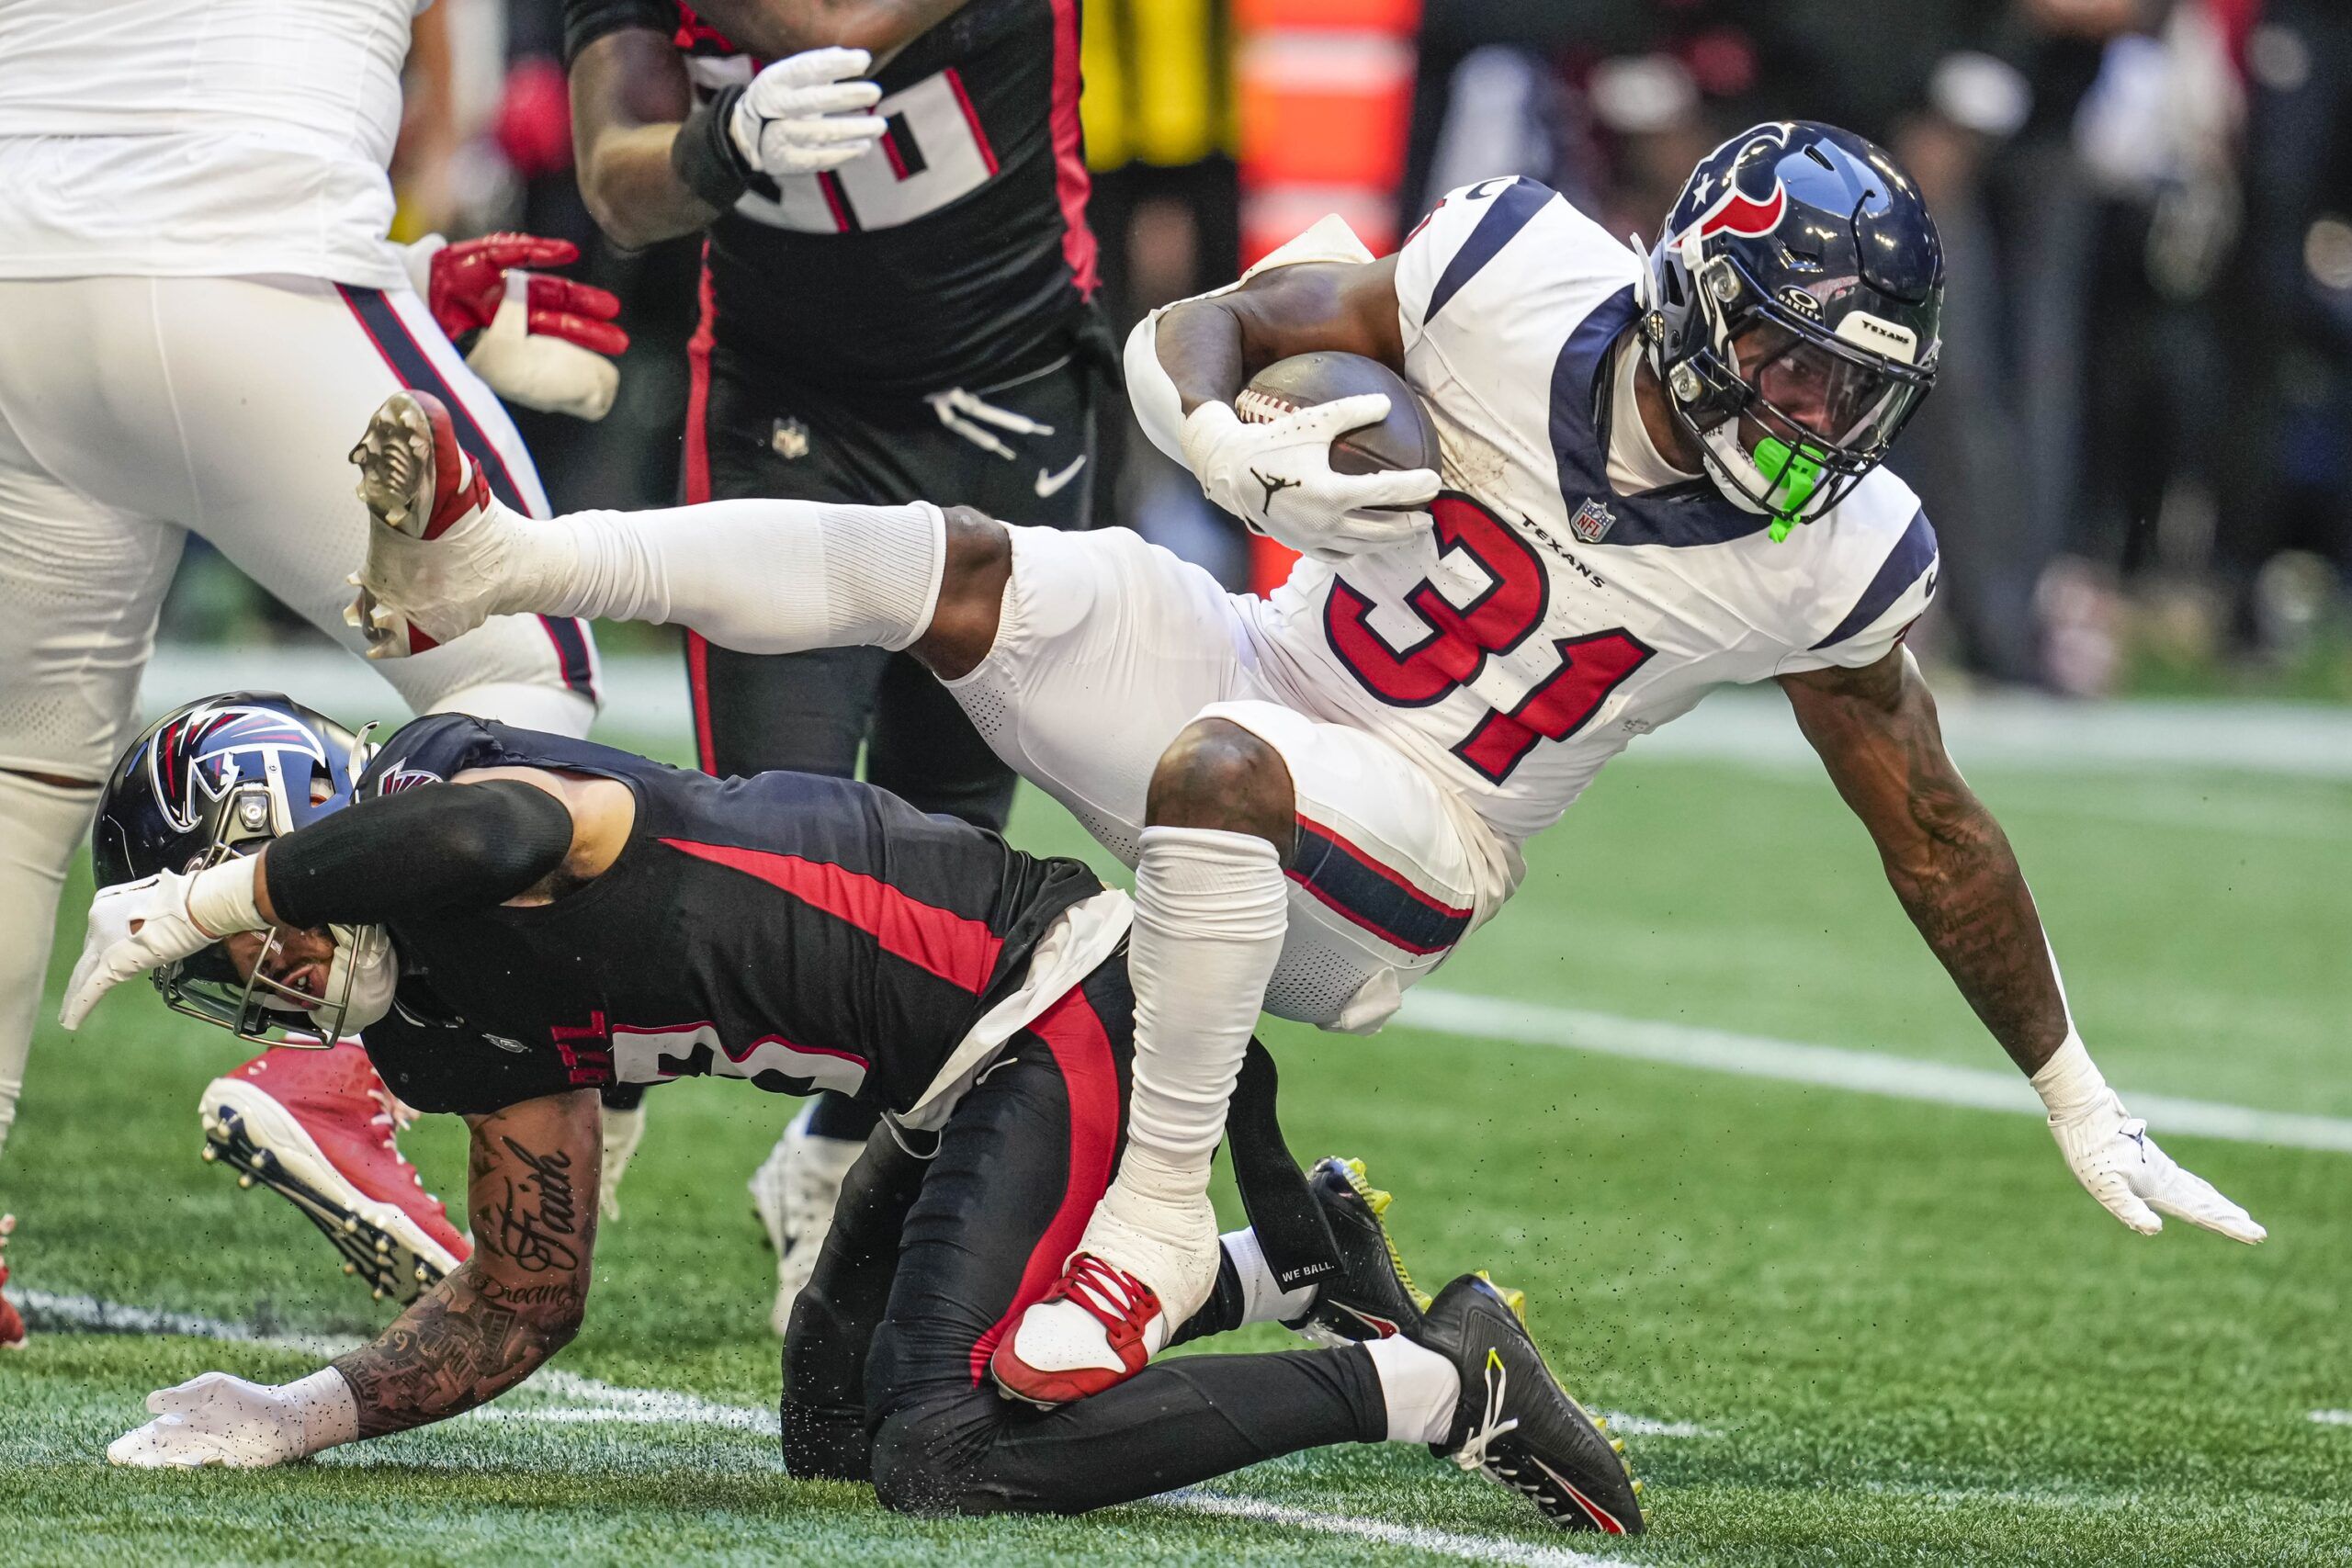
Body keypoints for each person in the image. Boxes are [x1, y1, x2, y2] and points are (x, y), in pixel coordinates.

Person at [345, 121, 2267, 1409]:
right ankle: (503, 559)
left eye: (1855, 388)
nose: (1816, 418)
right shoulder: (1512, 273)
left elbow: (1926, 823)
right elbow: (1205, 324)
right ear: (1688, 300)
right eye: (1790, 365)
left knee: (1220, 763)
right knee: (957, 564)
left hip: (1411, 846)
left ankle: (1162, 1210)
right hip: (1265, 661)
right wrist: (1220, 447)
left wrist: (2068, 1084)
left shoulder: (1833, 552)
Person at [67, 692, 1644, 1535]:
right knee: (830, 1427)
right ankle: (1284, 1269)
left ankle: (1438, 1383)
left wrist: (220, 892)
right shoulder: (432, 1023)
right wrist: (304, 1413)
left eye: (243, 939)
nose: (259, 974)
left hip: (1051, 990)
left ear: (280, 838)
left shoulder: (448, 796)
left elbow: (499, 835)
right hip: (944, 1080)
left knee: (941, 1451)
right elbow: (527, 1297)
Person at [0, 0, 634, 1339]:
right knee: (538, 675)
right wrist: (382, 269)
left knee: (19, 778)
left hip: (19, 275)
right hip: (252, 248)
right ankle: (344, 1083)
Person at [560, 0, 1109, 1330]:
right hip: (784, 407)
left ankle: (832, 1158)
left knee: (946, 871)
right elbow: (617, 184)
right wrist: (717, 145)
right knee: (770, 855)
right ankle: (587, 1089)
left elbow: (845, 22)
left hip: (1009, 393)